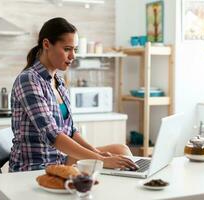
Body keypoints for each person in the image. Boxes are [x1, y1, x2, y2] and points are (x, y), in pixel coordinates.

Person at [9, 17, 137, 172]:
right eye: (67, 49)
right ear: (47, 44)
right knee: (109, 166)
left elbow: (70, 130)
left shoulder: (59, 82)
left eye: (74, 50)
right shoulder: (29, 80)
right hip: (36, 166)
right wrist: (101, 160)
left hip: (59, 159)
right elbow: (53, 135)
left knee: (121, 150)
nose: (73, 56)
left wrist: (96, 153)